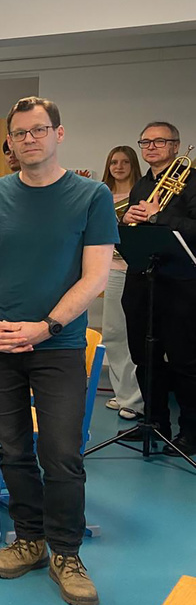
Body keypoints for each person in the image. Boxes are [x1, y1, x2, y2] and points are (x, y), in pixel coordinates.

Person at [0, 96, 115, 605]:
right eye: (20, 132)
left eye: (39, 130)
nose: (29, 139)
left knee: (62, 454)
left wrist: (46, 327)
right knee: (12, 449)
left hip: (59, 345)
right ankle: (28, 540)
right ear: (9, 140)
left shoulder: (92, 196)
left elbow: (95, 277)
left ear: (58, 133)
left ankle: (66, 553)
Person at [122, 121, 196, 457]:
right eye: (145, 142)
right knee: (144, 357)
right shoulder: (141, 185)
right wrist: (128, 222)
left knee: (184, 360)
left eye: (159, 141)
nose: (151, 147)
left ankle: (191, 433)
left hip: (180, 284)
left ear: (176, 146)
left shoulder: (192, 181)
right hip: (142, 281)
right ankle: (154, 423)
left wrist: (158, 217)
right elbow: (136, 231)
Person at [99, 145, 143, 421]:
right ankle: (124, 392)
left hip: (135, 269)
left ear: (133, 165)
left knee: (132, 335)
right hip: (110, 270)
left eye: (125, 162)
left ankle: (135, 399)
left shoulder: (142, 194)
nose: (118, 167)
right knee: (113, 334)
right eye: (114, 162)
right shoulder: (102, 195)